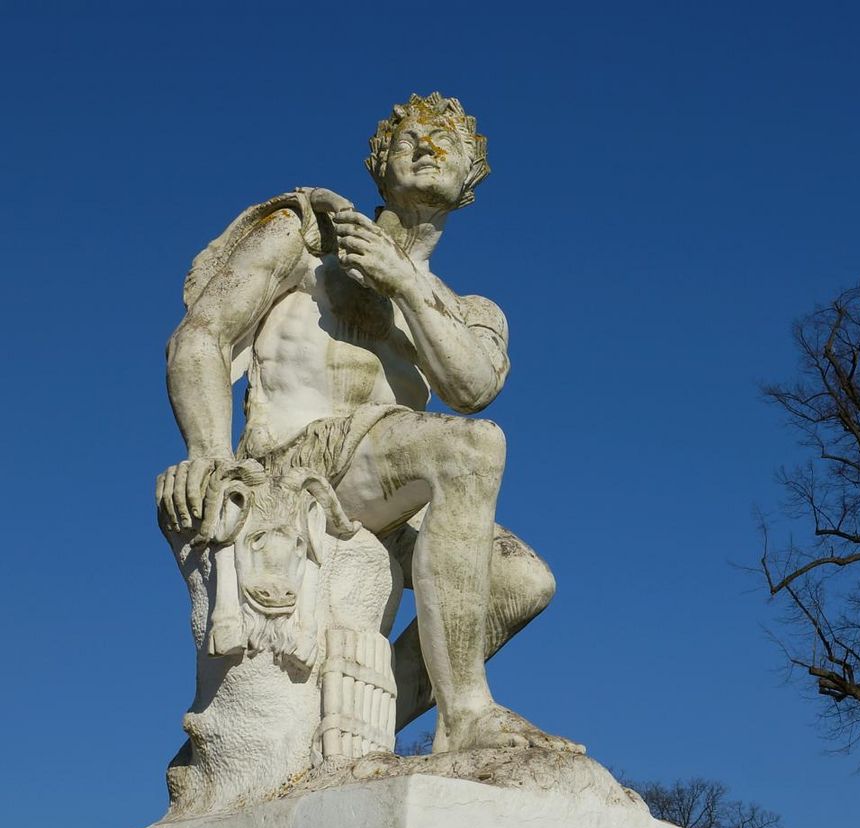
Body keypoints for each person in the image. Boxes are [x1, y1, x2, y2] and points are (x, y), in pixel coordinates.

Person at [157, 93, 569, 754]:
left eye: (449, 142)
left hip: (382, 477)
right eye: (410, 135)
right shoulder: (306, 236)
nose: (429, 146)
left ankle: (356, 722)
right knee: (467, 452)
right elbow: (199, 338)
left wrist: (403, 281)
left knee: (523, 582)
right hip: (293, 461)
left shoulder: (470, 311)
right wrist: (208, 452)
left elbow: (473, 387)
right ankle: (466, 715)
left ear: (470, 184)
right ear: (378, 162)